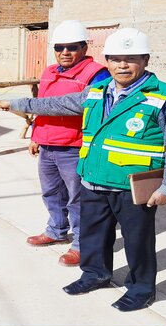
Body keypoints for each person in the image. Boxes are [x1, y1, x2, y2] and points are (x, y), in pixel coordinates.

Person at [0, 28, 166, 311]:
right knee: (92, 235)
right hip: (92, 180)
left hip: (131, 187)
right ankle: (94, 274)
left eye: (130, 58)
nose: (122, 65)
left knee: (138, 243)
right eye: (115, 59)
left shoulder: (164, 96)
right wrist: (16, 104)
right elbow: (56, 103)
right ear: (108, 61)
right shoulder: (97, 91)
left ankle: (140, 289)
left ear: (145, 60)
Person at [26, 20, 110, 269]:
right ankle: (56, 230)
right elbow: (42, 106)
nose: (65, 52)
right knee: (51, 192)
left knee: (78, 199)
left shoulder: (97, 74)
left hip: (75, 147)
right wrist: (35, 135)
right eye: (59, 47)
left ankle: (82, 245)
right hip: (48, 145)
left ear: (84, 47)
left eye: (72, 47)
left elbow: (96, 112)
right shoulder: (49, 72)